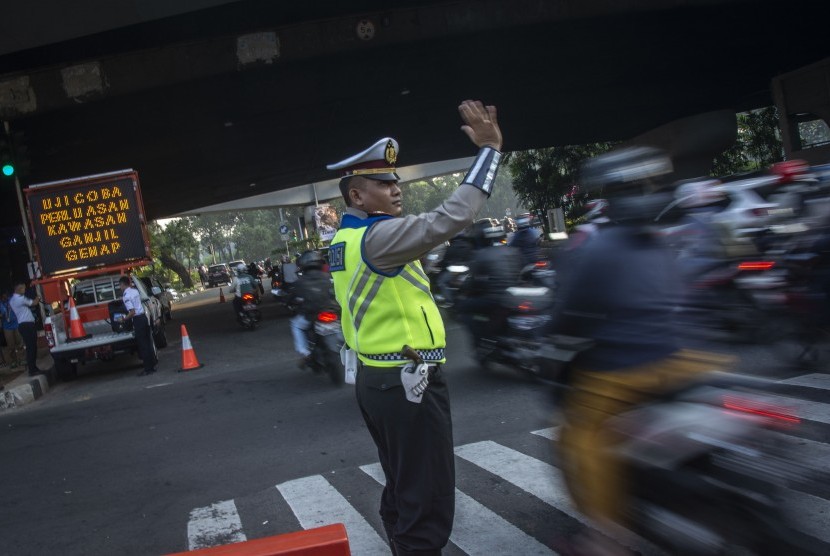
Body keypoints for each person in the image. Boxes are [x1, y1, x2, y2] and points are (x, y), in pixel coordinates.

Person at [326, 99, 502, 556]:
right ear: (357, 197)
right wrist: (489, 151)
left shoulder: (345, 240)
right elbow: (454, 216)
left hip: (378, 379)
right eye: (382, 184)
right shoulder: (378, 238)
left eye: (395, 181)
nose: (395, 189)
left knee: (405, 487)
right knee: (428, 496)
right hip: (408, 382)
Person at [550, 147, 733, 555]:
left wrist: (555, 327)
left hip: (624, 370)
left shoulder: (598, 247)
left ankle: (606, 536)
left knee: (582, 439)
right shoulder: (665, 240)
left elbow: (568, 313)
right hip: (685, 359)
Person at [456, 218, 523, 347]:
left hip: (496, 299)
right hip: (515, 297)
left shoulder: (482, 255)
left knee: (463, 307)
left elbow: (472, 281)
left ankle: (480, 340)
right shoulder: (514, 251)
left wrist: (464, 289)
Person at [289, 250, 335, 368]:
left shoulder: (300, 282)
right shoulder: (328, 277)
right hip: (331, 312)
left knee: (295, 325)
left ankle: (305, 353)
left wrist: (289, 302)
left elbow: (291, 298)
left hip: (310, 315)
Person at [118, 276, 156, 377]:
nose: (120, 288)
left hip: (138, 319)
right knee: (148, 343)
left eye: (120, 285)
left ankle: (148, 369)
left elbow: (132, 312)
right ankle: (152, 366)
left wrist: (124, 319)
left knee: (143, 345)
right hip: (143, 317)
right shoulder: (135, 291)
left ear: (122, 284)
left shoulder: (126, 296)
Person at [10, 282, 45, 377]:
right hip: (27, 325)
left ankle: (33, 368)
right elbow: (34, 303)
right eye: (23, 289)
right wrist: (39, 296)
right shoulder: (20, 299)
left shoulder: (12, 299)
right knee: (31, 348)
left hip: (23, 325)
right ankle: (32, 369)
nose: (24, 290)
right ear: (19, 289)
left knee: (30, 347)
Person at [1, 290, 24, 371]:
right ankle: (14, 361)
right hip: (7, 327)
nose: (5, 297)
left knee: (20, 343)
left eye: (6, 295)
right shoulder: (1, 304)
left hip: (16, 324)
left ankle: (22, 359)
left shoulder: (12, 299)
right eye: (3, 296)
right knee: (11, 346)